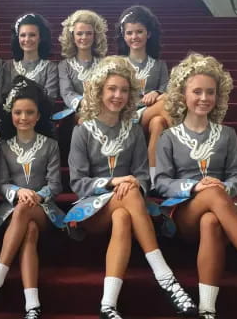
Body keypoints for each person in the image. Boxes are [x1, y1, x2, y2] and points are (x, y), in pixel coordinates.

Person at [63, 56, 197, 319]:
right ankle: (166, 277)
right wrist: (116, 182)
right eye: (112, 89)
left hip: (127, 202)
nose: (118, 95)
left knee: (124, 216)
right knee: (130, 193)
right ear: (99, 90)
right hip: (91, 208)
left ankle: (108, 303)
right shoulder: (82, 131)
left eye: (124, 90)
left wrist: (133, 182)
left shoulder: (134, 130)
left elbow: (142, 177)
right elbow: (78, 183)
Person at [155, 53, 237, 319]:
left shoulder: (228, 134)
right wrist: (195, 187)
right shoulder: (168, 137)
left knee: (211, 220)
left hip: (220, 210)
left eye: (210, 92)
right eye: (196, 91)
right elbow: (161, 182)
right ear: (182, 95)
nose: (204, 98)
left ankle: (207, 309)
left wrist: (223, 187)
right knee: (209, 193)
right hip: (183, 213)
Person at [0, 77, 65, 319]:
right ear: (11, 115)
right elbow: (0, 184)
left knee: (27, 212)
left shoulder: (51, 145)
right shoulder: (4, 147)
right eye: (18, 112)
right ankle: (33, 304)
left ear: (38, 116)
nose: (23, 117)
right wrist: (18, 192)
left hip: (45, 208)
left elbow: (56, 185)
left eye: (29, 112)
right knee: (28, 230)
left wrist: (37, 196)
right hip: (12, 207)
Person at [116, 5, 171, 186]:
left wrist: (157, 92)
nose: (134, 37)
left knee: (158, 123)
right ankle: (184, 155)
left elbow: (167, 91)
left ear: (148, 33)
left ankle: (154, 179)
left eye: (139, 31)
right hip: (126, 115)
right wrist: (147, 100)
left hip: (150, 116)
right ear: (123, 36)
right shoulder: (118, 64)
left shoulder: (160, 65)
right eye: (129, 33)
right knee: (165, 103)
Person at [56, 9, 107, 119]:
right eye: (79, 33)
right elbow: (66, 93)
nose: (84, 37)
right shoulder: (64, 66)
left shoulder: (105, 63)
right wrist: (84, 103)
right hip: (75, 112)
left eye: (89, 33)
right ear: (72, 36)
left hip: (102, 110)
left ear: (95, 36)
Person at [4, 13, 58, 100]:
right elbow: (3, 96)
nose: (27, 39)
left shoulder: (51, 68)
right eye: (23, 35)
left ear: (40, 38)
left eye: (32, 35)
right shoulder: (8, 66)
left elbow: (50, 97)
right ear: (17, 38)